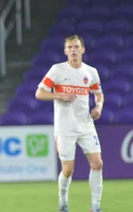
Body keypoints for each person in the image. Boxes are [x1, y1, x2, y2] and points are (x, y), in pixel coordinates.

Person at [35, 34, 104, 212]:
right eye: (70, 47)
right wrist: (59, 95)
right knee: (68, 169)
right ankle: (63, 202)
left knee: (97, 163)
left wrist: (98, 107)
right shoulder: (57, 70)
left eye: (76, 47)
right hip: (65, 127)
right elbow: (40, 93)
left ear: (83, 49)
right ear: (65, 51)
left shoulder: (91, 72)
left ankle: (95, 206)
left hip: (86, 125)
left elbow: (98, 93)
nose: (73, 50)